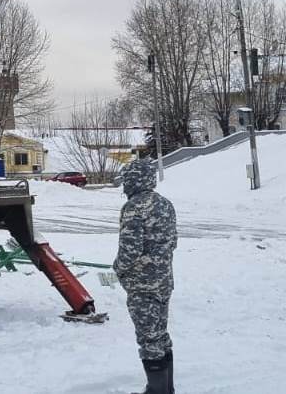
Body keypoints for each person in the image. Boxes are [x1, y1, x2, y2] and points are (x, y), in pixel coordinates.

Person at [113, 157, 178, 394]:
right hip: (164, 282)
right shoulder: (165, 204)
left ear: (132, 180)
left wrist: (118, 268)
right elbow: (173, 241)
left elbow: (130, 250)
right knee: (160, 335)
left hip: (142, 285)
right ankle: (167, 389)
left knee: (148, 339)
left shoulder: (134, 207)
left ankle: (157, 391)